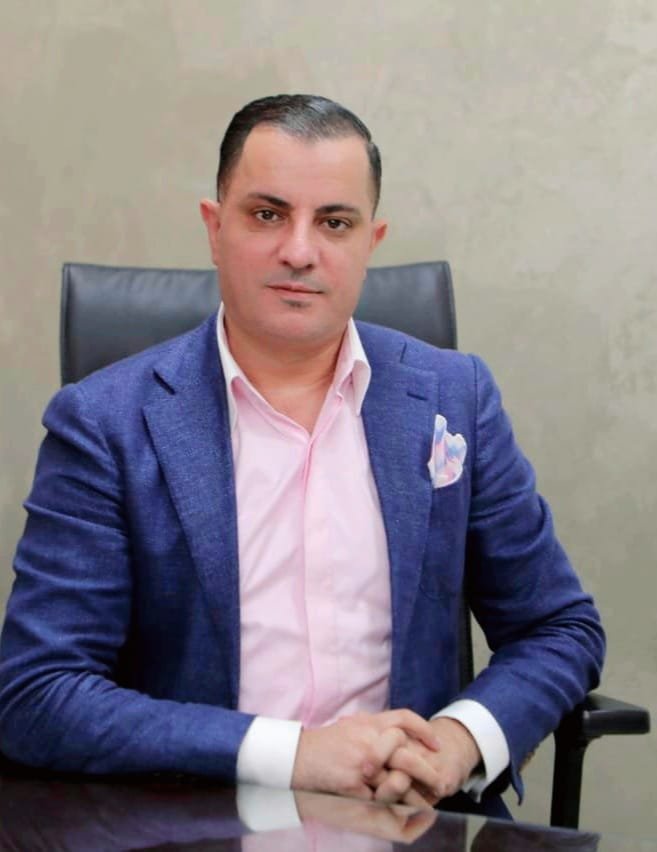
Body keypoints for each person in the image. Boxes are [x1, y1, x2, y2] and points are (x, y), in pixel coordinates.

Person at [0, 94, 604, 818]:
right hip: (195, 824)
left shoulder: (455, 397)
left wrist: (459, 739)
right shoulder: (105, 423)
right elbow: (38, 693)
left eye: (334, 222)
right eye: (266, 214)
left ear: (371, 241)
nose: (299, 250)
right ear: (214, 228)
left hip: (412, 821)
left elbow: (557, 627)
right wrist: (293, 755)